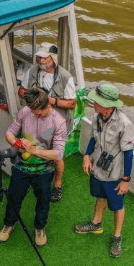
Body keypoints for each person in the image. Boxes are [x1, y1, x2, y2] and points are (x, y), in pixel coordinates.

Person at [0, 87, 67, 247]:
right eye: (32, 111)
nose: (34, 115)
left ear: (47, 105)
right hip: (21, 166)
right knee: (14, 197)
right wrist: (17, 143)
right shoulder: (25, 111)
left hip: (44, 170)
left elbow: (58, 154)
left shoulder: (59, 122)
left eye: (38, 113)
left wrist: (33, 150)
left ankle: (40, 228)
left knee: (43, 201)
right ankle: (9, 224)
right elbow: (10, 133)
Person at [74, 84, 134, 258]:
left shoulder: (124, 124)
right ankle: (96, 223)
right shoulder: (97, 117)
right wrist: (87, 155)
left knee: (117, 205)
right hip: (99, 168)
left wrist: (125, 180)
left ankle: (117, 237)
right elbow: (94, 138)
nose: (94, 104)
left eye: (97, 102)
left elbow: (129, 153)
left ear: (109, 106)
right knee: (100, 196)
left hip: (115, 173)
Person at [18, 42, 76, 202]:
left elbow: (71, 103)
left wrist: (49, 101)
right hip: (35, 121)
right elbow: (21, 91)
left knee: (57, 156)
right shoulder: (32, 70)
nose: (41, 61)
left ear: (53, 58)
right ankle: (33, 176)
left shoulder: (65, 76)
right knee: (30, 147)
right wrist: (33, 97)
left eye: (44, 57)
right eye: (39, 57)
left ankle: (57, 184)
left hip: (56, 124)